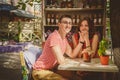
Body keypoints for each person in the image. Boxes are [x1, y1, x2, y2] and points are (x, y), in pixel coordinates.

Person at [32, 15, 83, 80]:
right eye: (65, 22)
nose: (68, 25)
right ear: (59, 24)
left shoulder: (64, 39)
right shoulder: (54, 37)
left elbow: (72, 54)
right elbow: (60, 61)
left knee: (77, 77)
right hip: (40, 70)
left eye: (70, 23)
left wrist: (81, 42)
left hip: (51, 70)